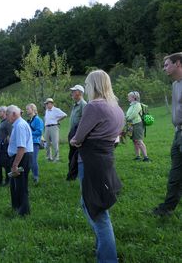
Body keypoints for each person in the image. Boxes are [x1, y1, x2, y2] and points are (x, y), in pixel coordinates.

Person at [70, 70, 124, 263]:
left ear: (93, 85)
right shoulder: (116, 107)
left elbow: (78, 138)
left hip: (90, 162)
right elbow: (117, 136)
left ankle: (109, 258)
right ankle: (103, 246)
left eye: (86, 84)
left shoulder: (94, 106)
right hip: (106, 160)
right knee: (90, 205)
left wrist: (74, 141)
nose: (85, 87)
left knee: (98, 213)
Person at [152, 52, 182, 217]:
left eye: (166, 65)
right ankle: (167, 208)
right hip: (178, 134)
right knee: (175, 175)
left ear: (178, 63)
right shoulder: (175, 85)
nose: (164, 68)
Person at [6, 105, 34, 216]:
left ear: (13, 114)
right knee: (15, 184)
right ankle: (17, 206)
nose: (7, 118)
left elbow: (21, 147)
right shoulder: (17, 125)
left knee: (21, 184)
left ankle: (24, 211)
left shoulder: (20, 126)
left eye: (7, 115)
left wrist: (15, 165)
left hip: (22, 157)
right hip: (20, 156)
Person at [67, 85, 87, 180]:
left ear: (79, 93)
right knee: (71, 155)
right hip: (73, 132)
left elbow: (84, 121)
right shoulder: (76, 104)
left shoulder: (84, 105)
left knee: (75, 156)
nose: (72, 93)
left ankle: (72, 176)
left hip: (77, 133)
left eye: (74, 91)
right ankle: (72, 174)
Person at [125, 91, 150, 162]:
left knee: (139, 140)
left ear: (134, 97)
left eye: (129, 96)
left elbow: (133, 115)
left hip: (137, 124)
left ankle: (146, 157)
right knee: (134, 141)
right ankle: (138, 156)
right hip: (130, 125)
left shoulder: (137, 105)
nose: (128, 98)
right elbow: (128, 115)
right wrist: (126, 117)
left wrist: (125, 118)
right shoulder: (131, 105)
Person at [43, 98, 67, 162]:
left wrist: (58, 120)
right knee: (47, 143)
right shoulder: (46, 111)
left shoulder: (56, 110)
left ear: (51, 103)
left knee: (54, 143)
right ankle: (49, 157)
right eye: (46, 104)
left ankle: (56, 158)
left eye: (47, 104)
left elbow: (65, 115)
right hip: (47, 127)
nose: (46, 105)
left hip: (54, 127)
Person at [26, 103, 44, 184]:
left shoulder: (38, 120)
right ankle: (30, 175)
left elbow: (39, 132)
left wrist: (29, 134)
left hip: (35, 142)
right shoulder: (29, 120)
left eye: (28, 109)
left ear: (33, 109)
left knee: (33, 160)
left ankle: (36, 176)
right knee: (29, 160)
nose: (27, 110)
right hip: (28, 143)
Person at [0, 106, 12, 186]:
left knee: (6, 164)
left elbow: (11, 133)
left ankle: (8, 181)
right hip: (0, 147)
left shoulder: (8, 122)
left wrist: (5, 142)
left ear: (4, 112)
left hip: (4, 147)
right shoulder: (3, 121)